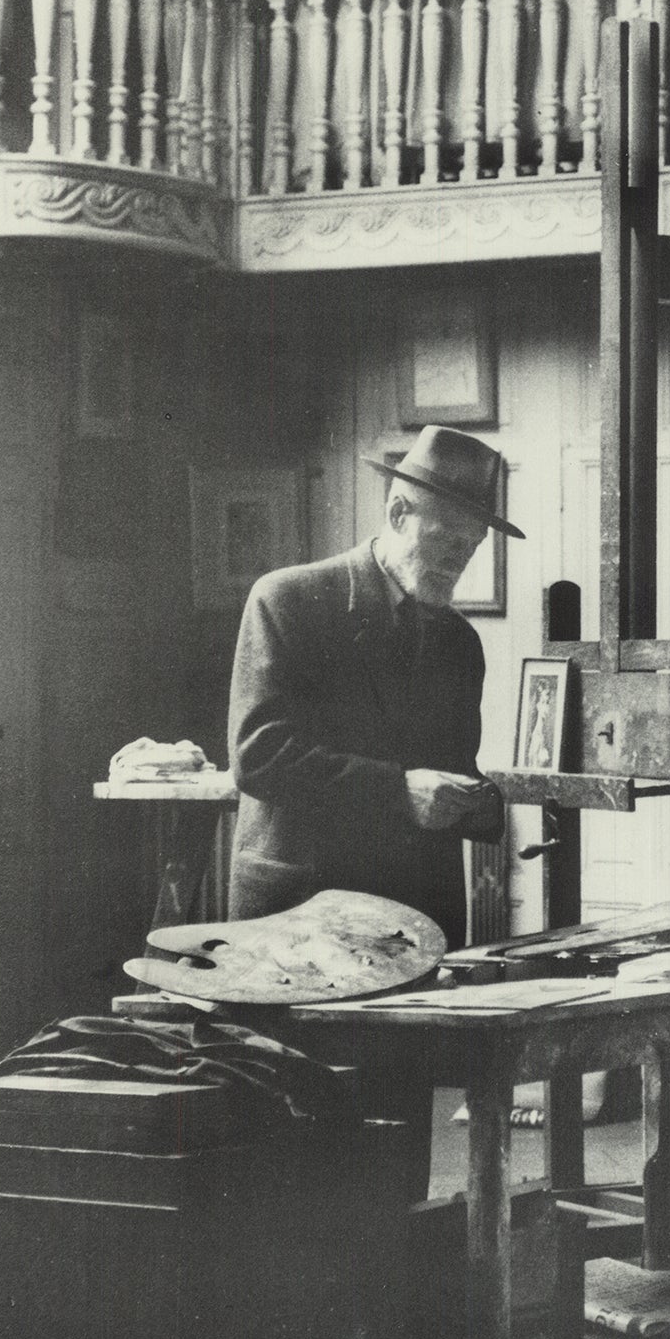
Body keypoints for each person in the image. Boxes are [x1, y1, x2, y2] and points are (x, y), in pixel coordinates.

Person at [227, 426, 519, 1191]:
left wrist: (484, 802)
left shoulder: (459, 644)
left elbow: (452, 774)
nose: (459, 555)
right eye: (445, 535)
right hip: (297, 920)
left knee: (396, 1149)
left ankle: (389, 1303)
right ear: (396, 512)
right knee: (294, 1150)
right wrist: (398, 791)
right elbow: (259, 757)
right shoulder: (290, 600)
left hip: (406, 919)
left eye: (473, 541)